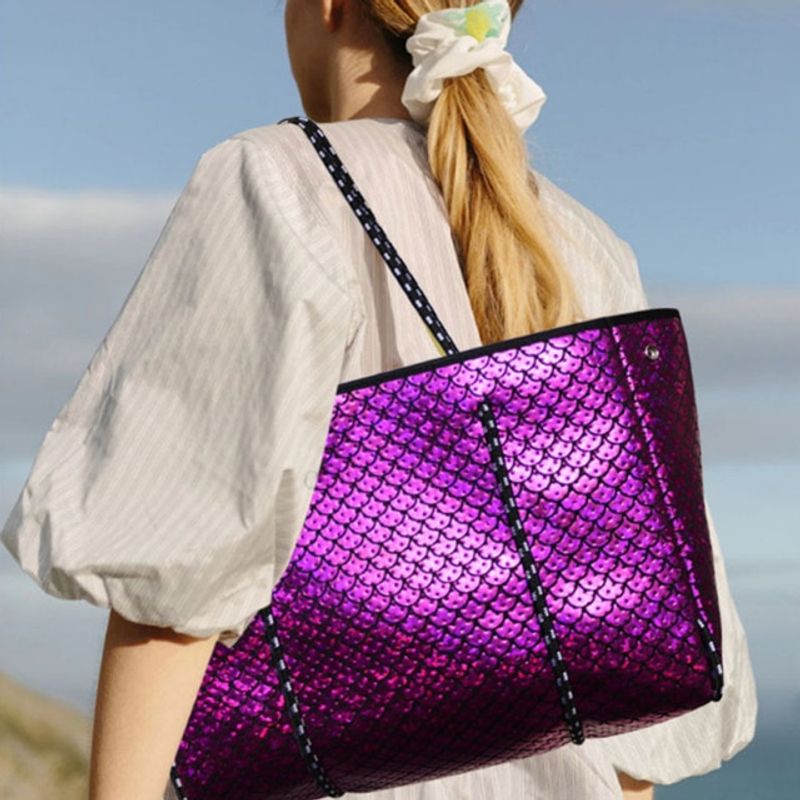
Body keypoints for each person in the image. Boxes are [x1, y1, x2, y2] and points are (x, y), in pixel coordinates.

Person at [0, 1, 758, 799]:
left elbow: (174, 574)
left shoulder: (279, 179)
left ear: (329, 8)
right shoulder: (586, 247)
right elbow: (643, 680)